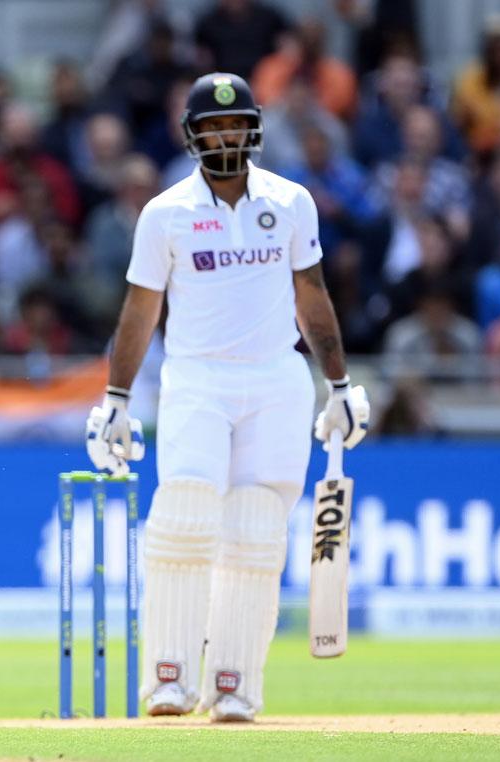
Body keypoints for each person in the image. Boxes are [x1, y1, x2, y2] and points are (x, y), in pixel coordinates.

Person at [84, 73, 370, 722]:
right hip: (196, 379)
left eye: (234, 124)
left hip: (276, 379)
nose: (224, 135)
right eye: (212, 126)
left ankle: (236, 685)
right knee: (184, 518)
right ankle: (169, 680)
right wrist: (118, 398)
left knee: (255, 532)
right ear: (192, 135)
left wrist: (340, 385)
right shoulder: (165, 214)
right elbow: (140, 308)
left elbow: (312, 294)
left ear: (252, 129)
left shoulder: (292, 202)